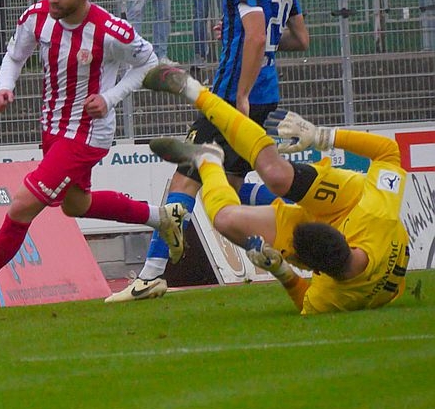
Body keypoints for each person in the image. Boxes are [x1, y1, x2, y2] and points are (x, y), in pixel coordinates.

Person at [0, 0, 185, 317]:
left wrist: (110, 98)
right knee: (76, 205)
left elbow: (150, 62)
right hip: (52, 129)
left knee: (21, 206)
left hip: (87, 134)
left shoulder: (111, 31)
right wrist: (4, 86)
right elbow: (15, 56)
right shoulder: (37, 17)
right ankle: (161, 217)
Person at [107, 0, 309, 303]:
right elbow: (298, 39)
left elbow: (256, 36)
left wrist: (242, 91)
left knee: (185, 178)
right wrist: (239, 35)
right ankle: (304, 221)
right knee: (228, 189)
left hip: (234, 97)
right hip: (265, 94)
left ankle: (151, 275)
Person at [143, 63, 410, 314]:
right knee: (276, 175)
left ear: (317, 271)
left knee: (226, 220)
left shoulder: (330, 297)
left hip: (352, 230)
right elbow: (388, 152)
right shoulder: (377, 214)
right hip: (349, 203)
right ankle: (193, 90)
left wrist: (282, 270)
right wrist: (322, 136)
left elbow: (304, 299)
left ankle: (206, 159)